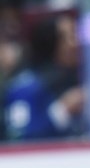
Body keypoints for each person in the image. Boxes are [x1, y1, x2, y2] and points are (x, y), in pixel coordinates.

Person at [2, 13, 84, 141]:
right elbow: (17, 138)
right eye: (66, 37)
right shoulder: (25, 87)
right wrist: (62, 110)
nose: (76, 43)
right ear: (49, 42)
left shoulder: (84, 77)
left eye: (75, 34)